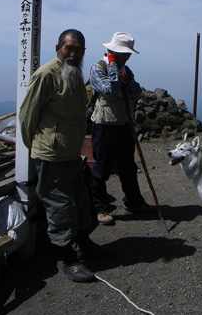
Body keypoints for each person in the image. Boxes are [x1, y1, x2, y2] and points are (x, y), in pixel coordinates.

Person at [19, 29, 102, 283]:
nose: (74, 53)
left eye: (79, 49)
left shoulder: (75, 74)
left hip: (71, 154)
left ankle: (84, 243)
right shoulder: (46, 75)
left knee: (81, 201)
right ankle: (67, 257)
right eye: (69, 48)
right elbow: (26, 117)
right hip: (51, 155)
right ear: (58, 48)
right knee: (60, 206)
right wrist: (37, 148)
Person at [89, 32, 155, 226]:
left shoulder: (126, 69)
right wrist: (112, 68)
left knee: (128, 166)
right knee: (101, 168)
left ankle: (134, 202)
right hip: (104, 125)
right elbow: (111, 91)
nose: (129, 56)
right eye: (126, 53)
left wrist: (126, 79)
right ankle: (99, 208)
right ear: (114, 52)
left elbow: (136, 92)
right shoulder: (98, 68)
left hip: (124, 124)